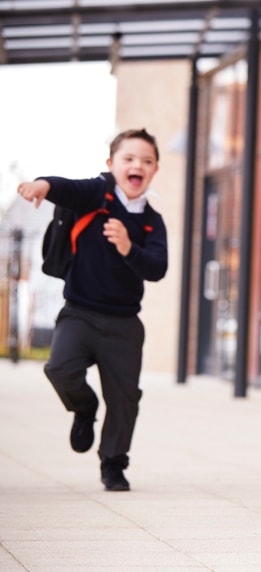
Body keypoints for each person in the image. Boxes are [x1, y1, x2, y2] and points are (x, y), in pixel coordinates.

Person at [17, 128, 168, 492]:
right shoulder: (95, 194)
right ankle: (84, 409)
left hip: (124, 323)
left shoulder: (152, 221)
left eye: (146, 161)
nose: (137, 166)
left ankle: (113, 463)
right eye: (128, 159)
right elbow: (65, 187)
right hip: (79, 312)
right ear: (111, 165)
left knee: (125, 398)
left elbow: (158, 268)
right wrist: (42, 185)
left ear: (155, 169)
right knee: (59, 368)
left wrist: (128, 247)